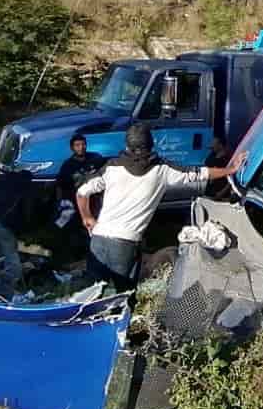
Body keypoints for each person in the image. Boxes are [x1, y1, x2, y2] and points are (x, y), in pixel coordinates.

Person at [74, 123, 246, 289]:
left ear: (127, 146)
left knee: (93, 296)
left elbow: (82, 192)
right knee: (123, 297)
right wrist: (229, 170)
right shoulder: (162, 170)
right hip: (125, 244)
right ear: (151, 145)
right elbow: (198, 173)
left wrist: (87, 217)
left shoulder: (112, 167)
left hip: (98, 239)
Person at [54, 134, 106, 257]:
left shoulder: (95, 158)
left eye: (83, 144)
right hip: (75, 201)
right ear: (72, 148)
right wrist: (61, 203)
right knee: (72, 228)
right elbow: (60, 185)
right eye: (77, 145)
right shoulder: (68, 166)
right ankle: (74, 254)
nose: (81, 147)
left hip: (94, 200)